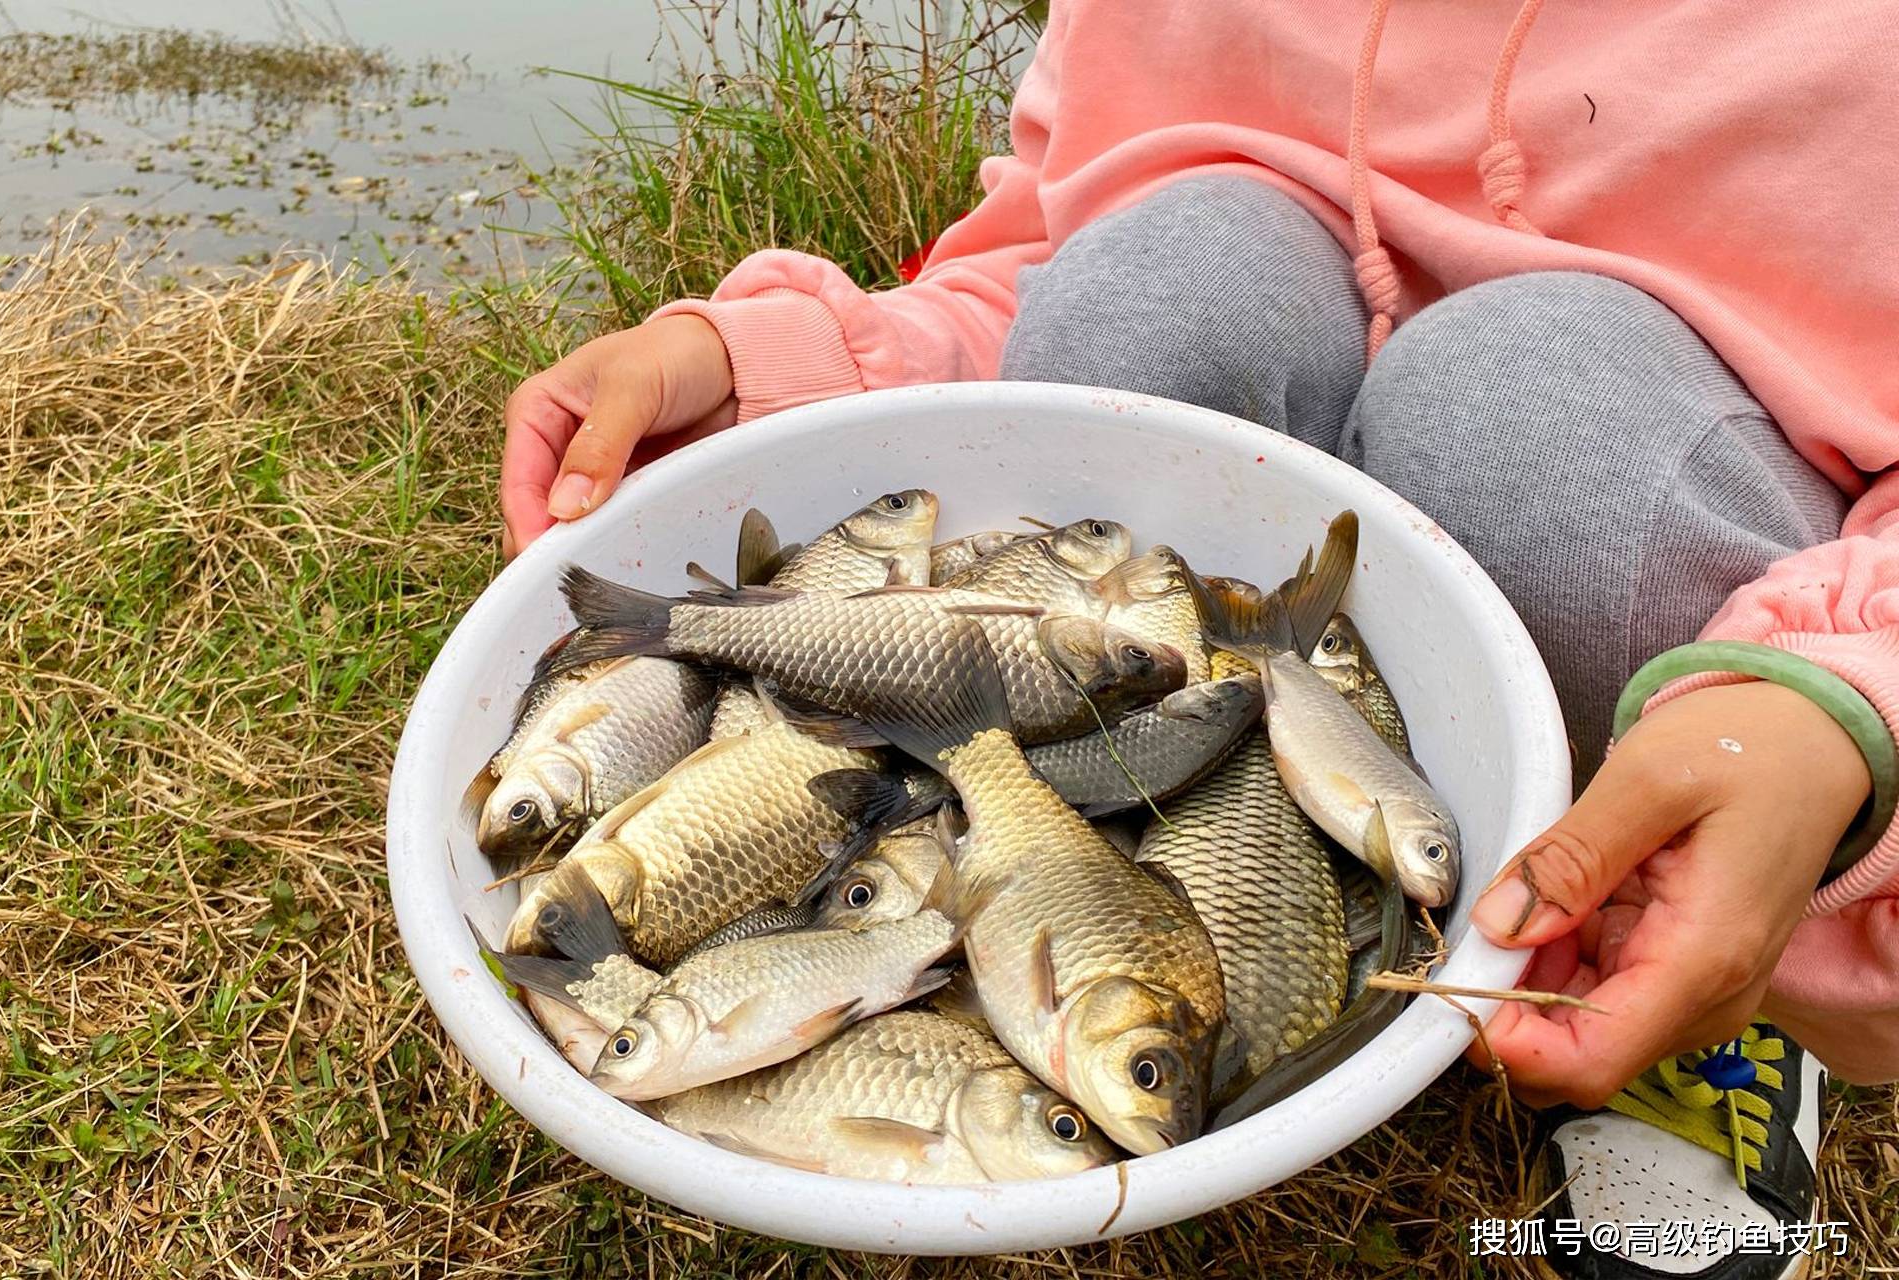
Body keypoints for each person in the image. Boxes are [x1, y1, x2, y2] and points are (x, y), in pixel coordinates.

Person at [499, 3, 1897, 1274]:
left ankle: (1707, 970)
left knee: (1524, 407)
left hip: (1700, 614)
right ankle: (1189, 776)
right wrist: (780, 370)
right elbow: (1033, 278)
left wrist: (1834, 709)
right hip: (1179, 683)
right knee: (1155, 282)